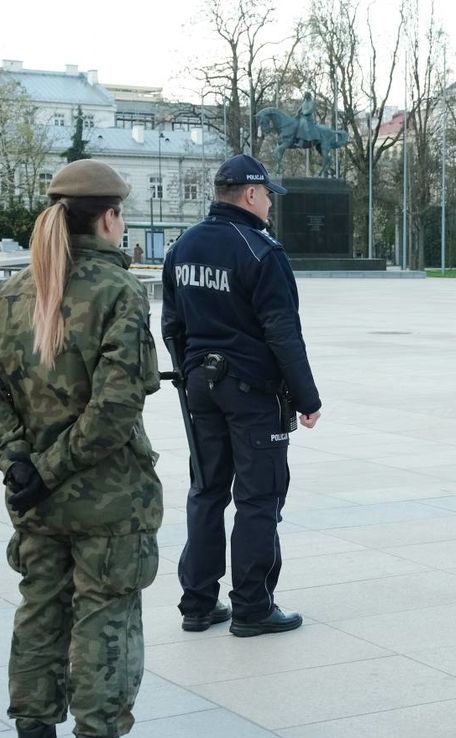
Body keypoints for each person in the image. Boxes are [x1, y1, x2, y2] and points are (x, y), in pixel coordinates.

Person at [0, 159, 168, 738]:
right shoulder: (119, 292)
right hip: (106, 500)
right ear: (108, 217)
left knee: (40, 615)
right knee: (105, 618)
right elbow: (113, 410)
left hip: (37, 505)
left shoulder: (16, 292)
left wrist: (19, 464)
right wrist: (45, 468)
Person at [162, 154, 321, 637]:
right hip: (252, 393)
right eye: (268, 193)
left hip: (200, 388)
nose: (271, 202)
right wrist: (306, 397)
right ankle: (252, 606)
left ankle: (198, 603)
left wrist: (191, 377)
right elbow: (282, 332)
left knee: (206, 492)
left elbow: (172, 325)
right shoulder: (260, 251)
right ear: (250, 194)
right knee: (258, 499)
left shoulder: (182, 248)